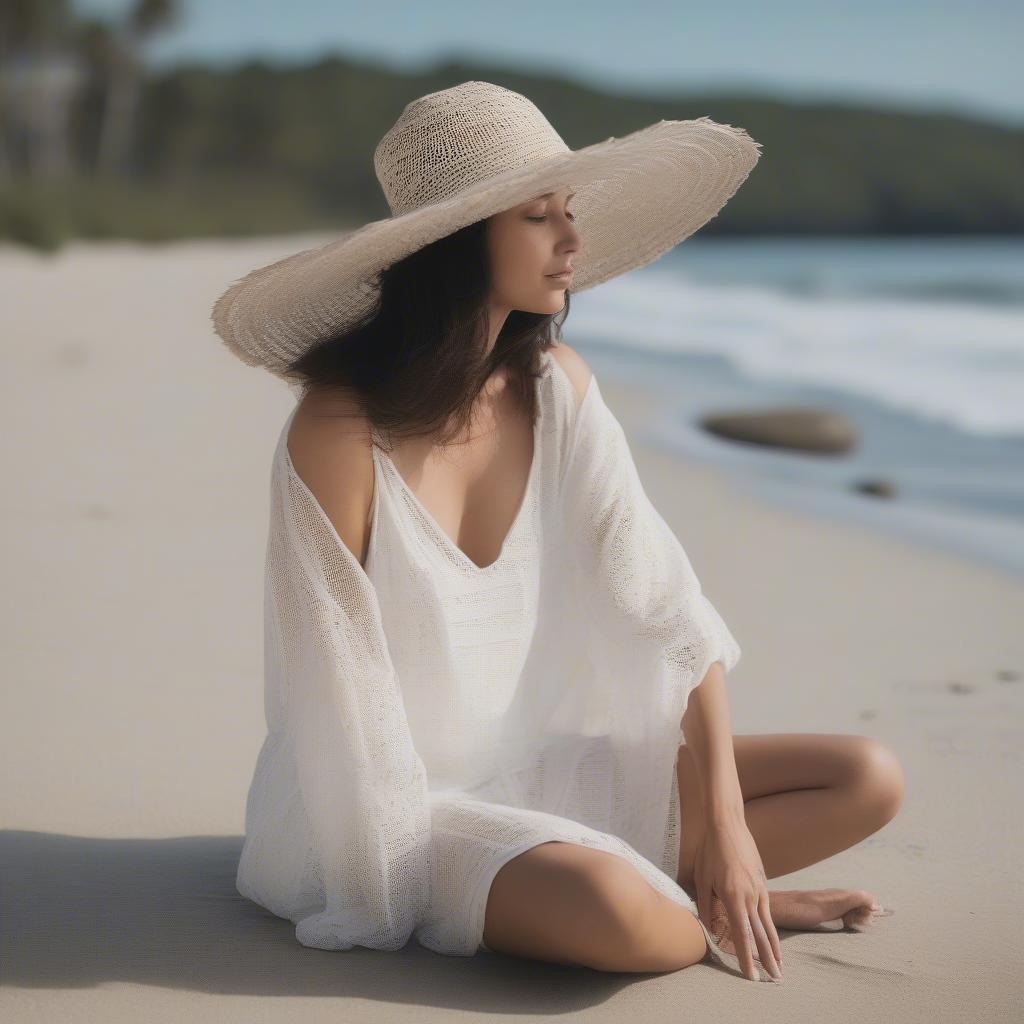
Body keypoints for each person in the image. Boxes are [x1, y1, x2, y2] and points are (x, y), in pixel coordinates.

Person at [211, 81, 902, 985]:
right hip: (389, 802)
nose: (573, 239)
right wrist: (399, 865)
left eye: (567, 211)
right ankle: (688, 902)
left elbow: (666, 606)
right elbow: (336, 693)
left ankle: (690, 882)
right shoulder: (340, 429)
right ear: (456, 243)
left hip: (540, 768)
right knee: (629, 924)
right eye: (541, 216)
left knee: (867, 776)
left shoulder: (556, 387)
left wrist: (731, 835)